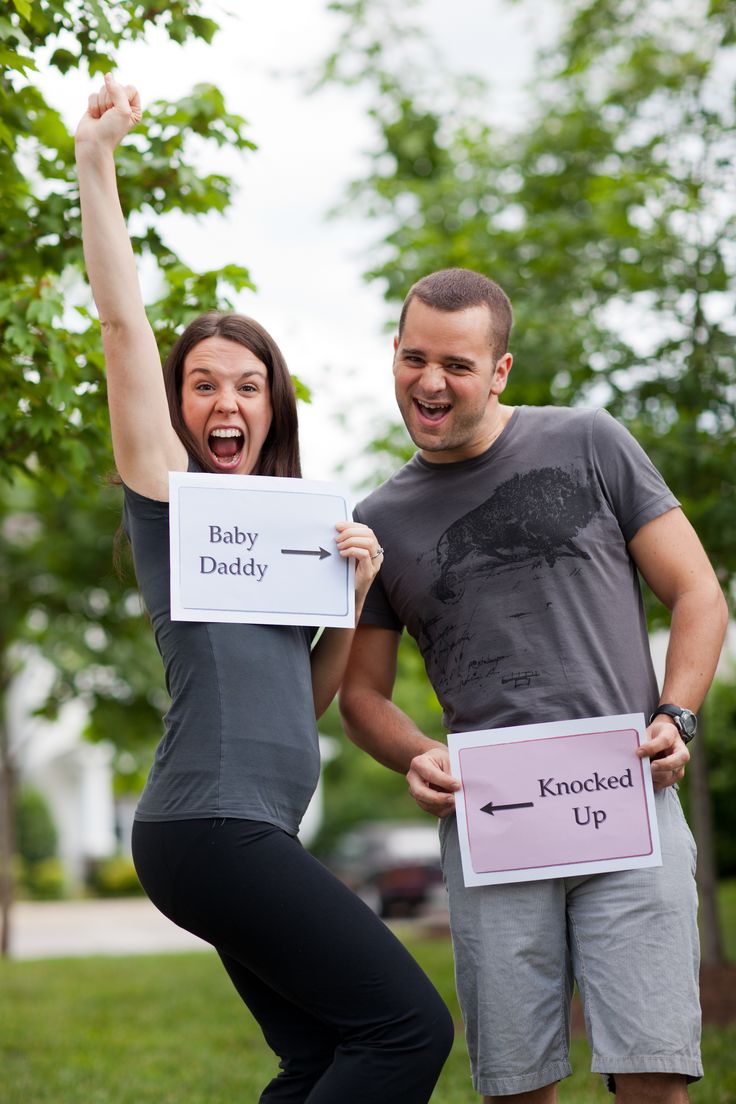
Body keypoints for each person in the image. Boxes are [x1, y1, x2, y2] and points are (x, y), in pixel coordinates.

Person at [75, 75, 454, 1104]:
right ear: (179, 405)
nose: (224, 399)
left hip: (247, 830)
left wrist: (349, 593)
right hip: (209, 826)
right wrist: (95, 161)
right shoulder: (172, 502)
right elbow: (120, 327)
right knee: (407, 1029)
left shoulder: (289, 529)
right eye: (203, 383)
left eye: (247, 383)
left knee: (321, 1055)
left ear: (272, 404)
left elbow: (310, 700)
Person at [339, 267, 728, 1104]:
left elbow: (698, 593)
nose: (430, 382)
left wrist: (677, 715)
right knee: (518, 1088)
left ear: (501, 370)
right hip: (496, 823)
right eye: (413, 359)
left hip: (626, 799)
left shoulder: (591, 442)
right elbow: (361, 697)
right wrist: (417, 755)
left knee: (654, 1077)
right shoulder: (378, 520)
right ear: (394, 356)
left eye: (457, 364)